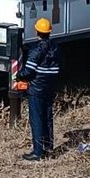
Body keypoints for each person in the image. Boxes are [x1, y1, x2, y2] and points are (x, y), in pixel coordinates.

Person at [16, 18, 61, 161]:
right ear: (49, 32)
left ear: (37, 32)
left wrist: (18, 75)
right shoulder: (56, 47)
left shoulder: (36, 50)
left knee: (36, 118)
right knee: (48, 116)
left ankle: (37, 151)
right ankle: (48, 147)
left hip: (36, 88)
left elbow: (28, 71)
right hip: (50, 86)